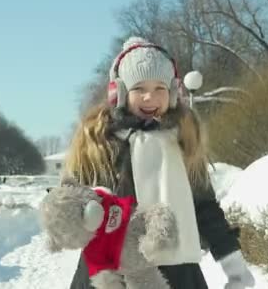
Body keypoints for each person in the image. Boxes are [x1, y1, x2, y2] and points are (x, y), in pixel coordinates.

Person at [60, 37, 255, 289]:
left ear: (173, 92)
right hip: (109, 272)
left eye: (160, 88)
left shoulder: (183, 141)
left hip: (176, 273)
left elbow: (205, 209)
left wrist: (234, 267)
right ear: (119, 92)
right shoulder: (98, 144)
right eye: (139, 88)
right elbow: (70, 201)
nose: (150, 97)